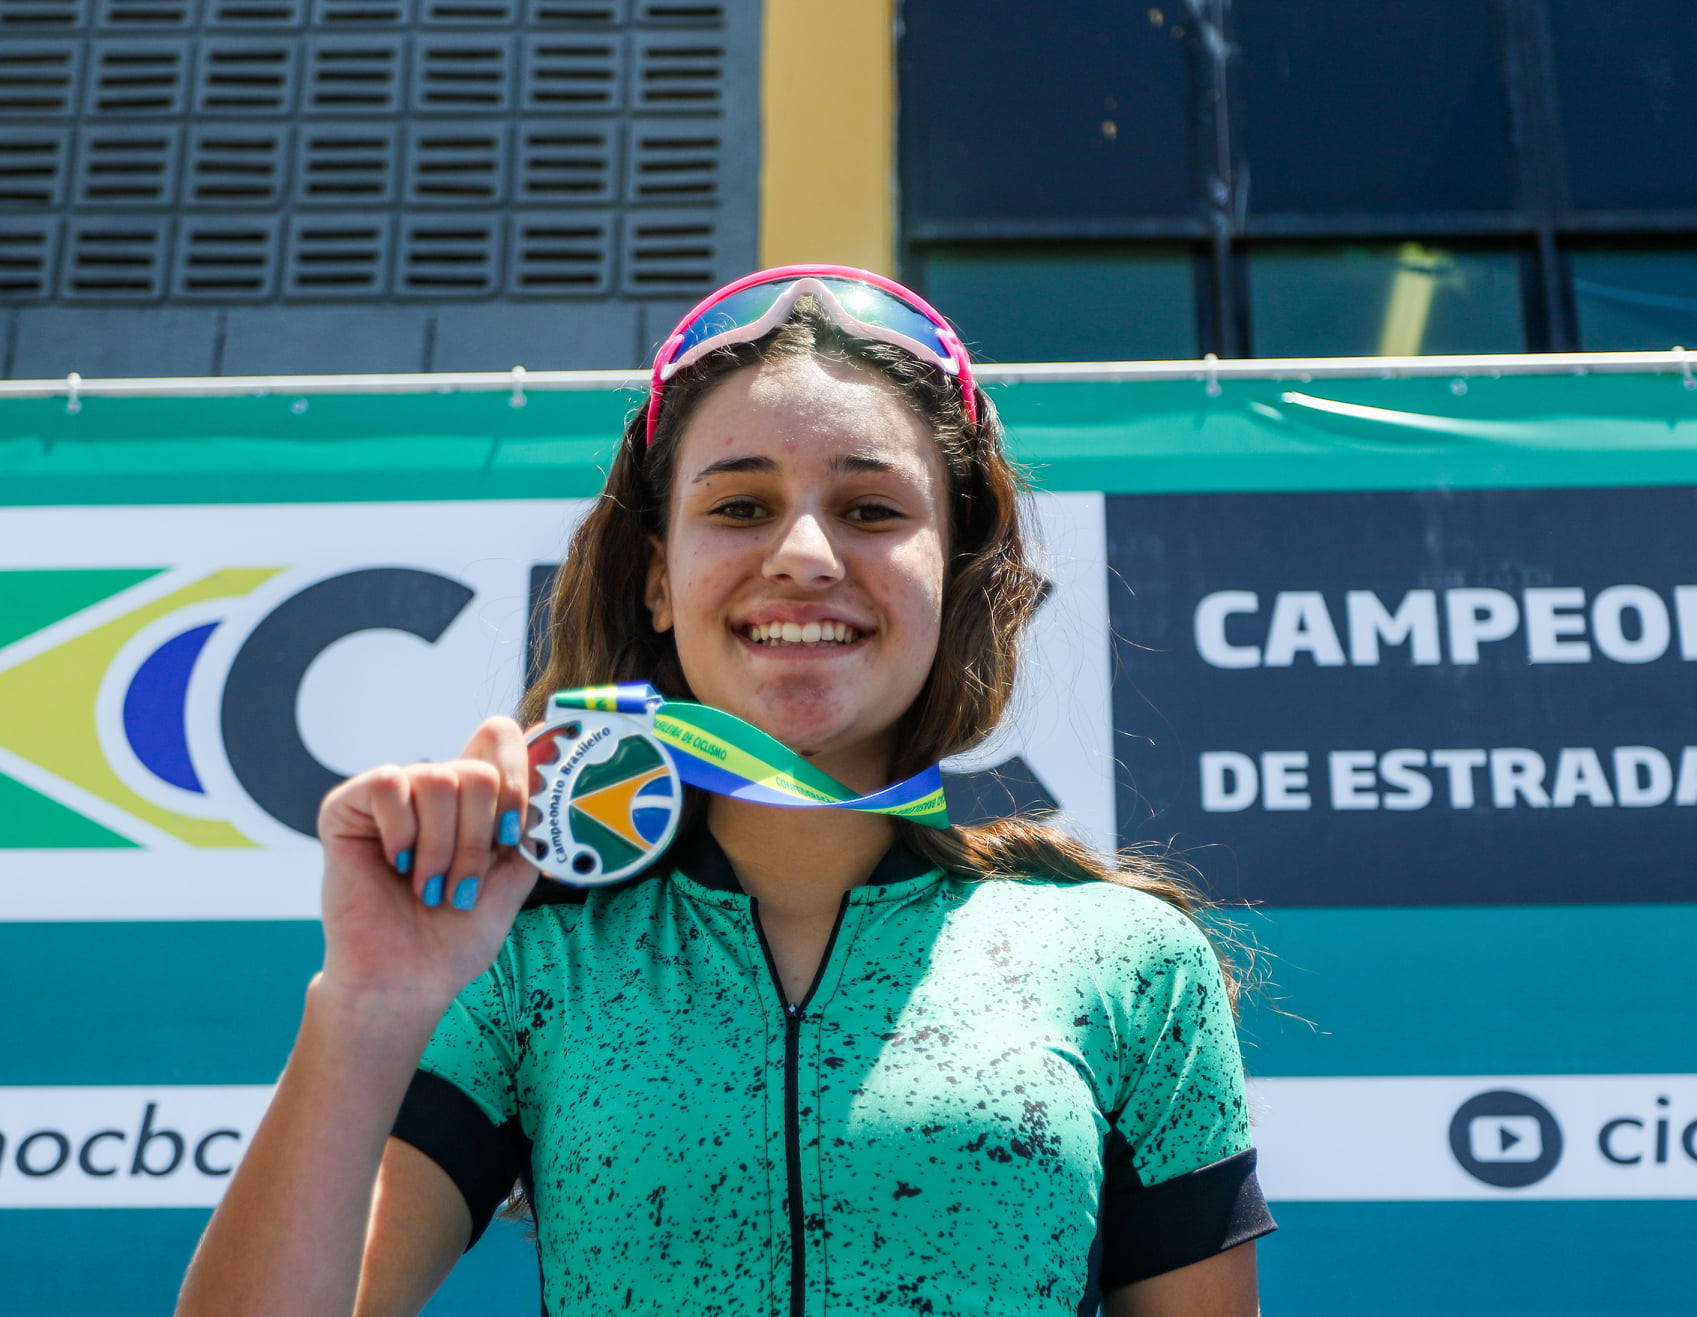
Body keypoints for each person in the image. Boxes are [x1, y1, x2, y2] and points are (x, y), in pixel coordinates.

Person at [176, 266, 1274, 1317]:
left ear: (960, 568)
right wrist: (369, 1007)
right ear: (658, 578)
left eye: (872, 511)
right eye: (741, 508)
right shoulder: (530, 960)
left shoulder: (1124, 956)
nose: (802, 554)